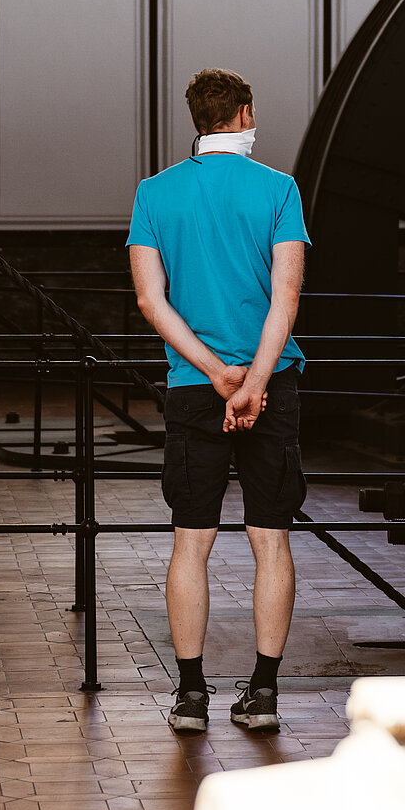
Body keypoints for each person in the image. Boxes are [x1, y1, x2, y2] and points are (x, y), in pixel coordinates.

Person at [127, 68, 309, 734]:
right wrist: (255, 380)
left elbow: (152, 301)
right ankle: (262, 694)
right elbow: (286, 296)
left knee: (190, 542)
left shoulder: (155, 194)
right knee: (272, 541)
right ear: (245, 113)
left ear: (197, 118)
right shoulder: (278, 189)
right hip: (273, 383)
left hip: (192, 388)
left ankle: (191, 696)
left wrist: (214, 374)